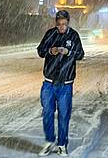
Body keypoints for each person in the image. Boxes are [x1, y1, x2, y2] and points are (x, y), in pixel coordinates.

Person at [36, 10, 85, 156]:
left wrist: (68, 52)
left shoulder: (73, 36)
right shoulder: (50, 34)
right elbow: (40, 51)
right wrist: (51, 51)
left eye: (64, 24)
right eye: (59, 24)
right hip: (49, 82)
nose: (61, 27)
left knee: (64, 115)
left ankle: (62, 144)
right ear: (56, 23)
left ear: (68, 23)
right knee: (47, 113)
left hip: (66, 84)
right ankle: (49, 141)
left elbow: (81, 54)